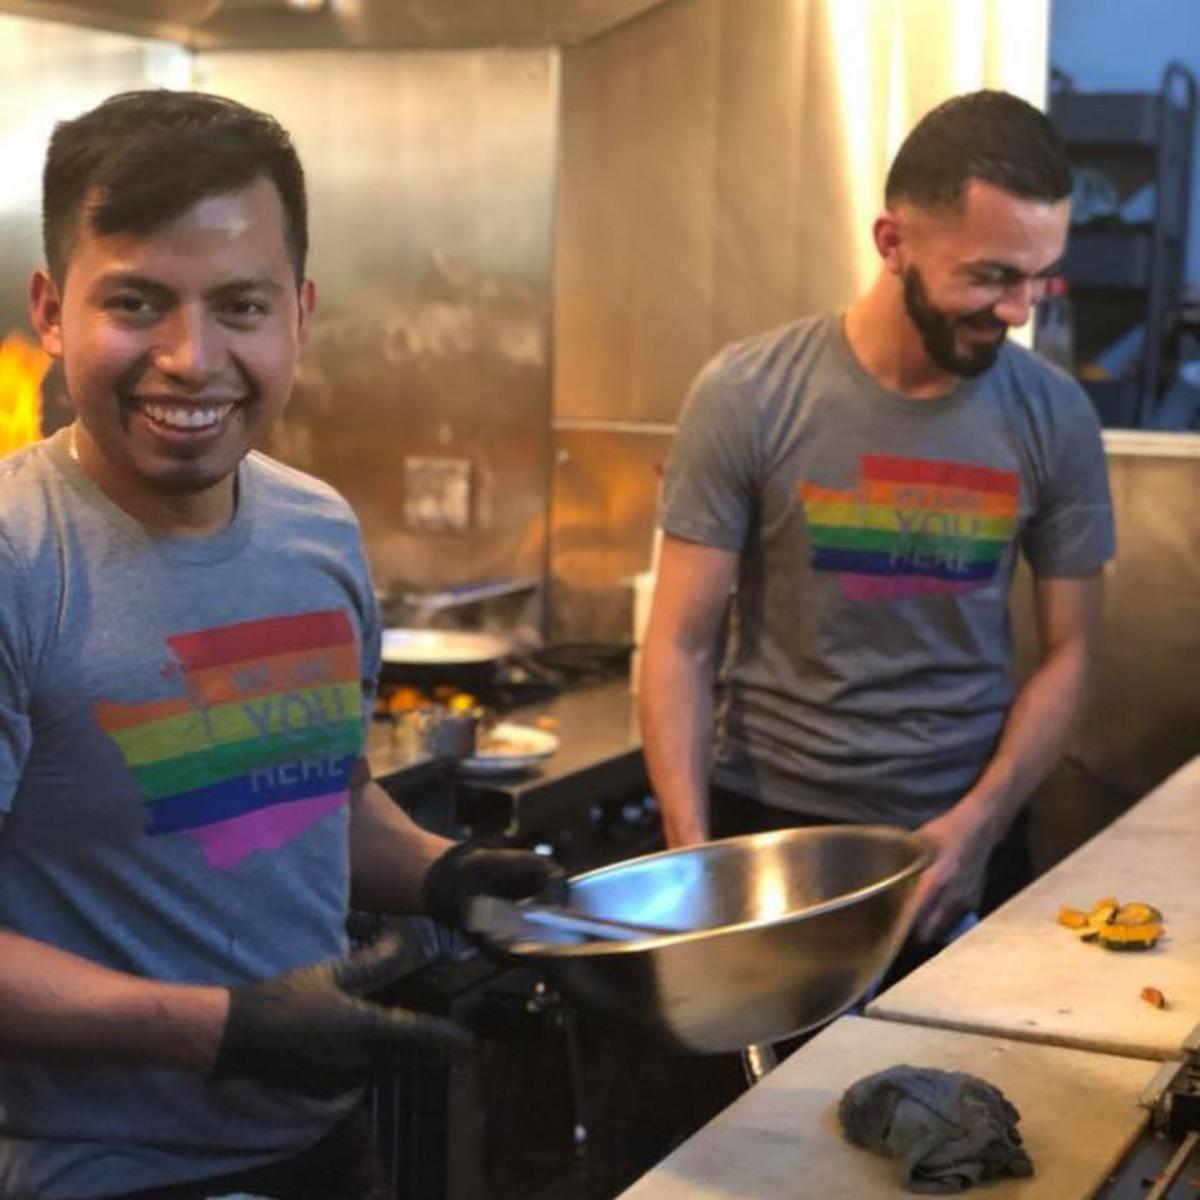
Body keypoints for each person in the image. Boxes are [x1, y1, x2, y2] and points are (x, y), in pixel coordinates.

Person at [0, 89, 562, 1200]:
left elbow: (314, 797)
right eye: (137, 303)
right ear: (52, 312)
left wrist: (443, 877)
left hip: (329, 1152)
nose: (190, 357)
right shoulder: (20, 558)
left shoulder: (317, 528)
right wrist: (221, 1030)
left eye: (240, 306)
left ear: (299, 312)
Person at [640, 89, 1115, 946]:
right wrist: (694, 863)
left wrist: (982, 821)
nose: (1018, 311)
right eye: (990, 276)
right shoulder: (748, 394)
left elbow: (1074, 650)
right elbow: (678, 642)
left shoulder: (1055, 416)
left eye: (1038, 278)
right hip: (775, 835)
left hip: (970, 833)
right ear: (892, 243)